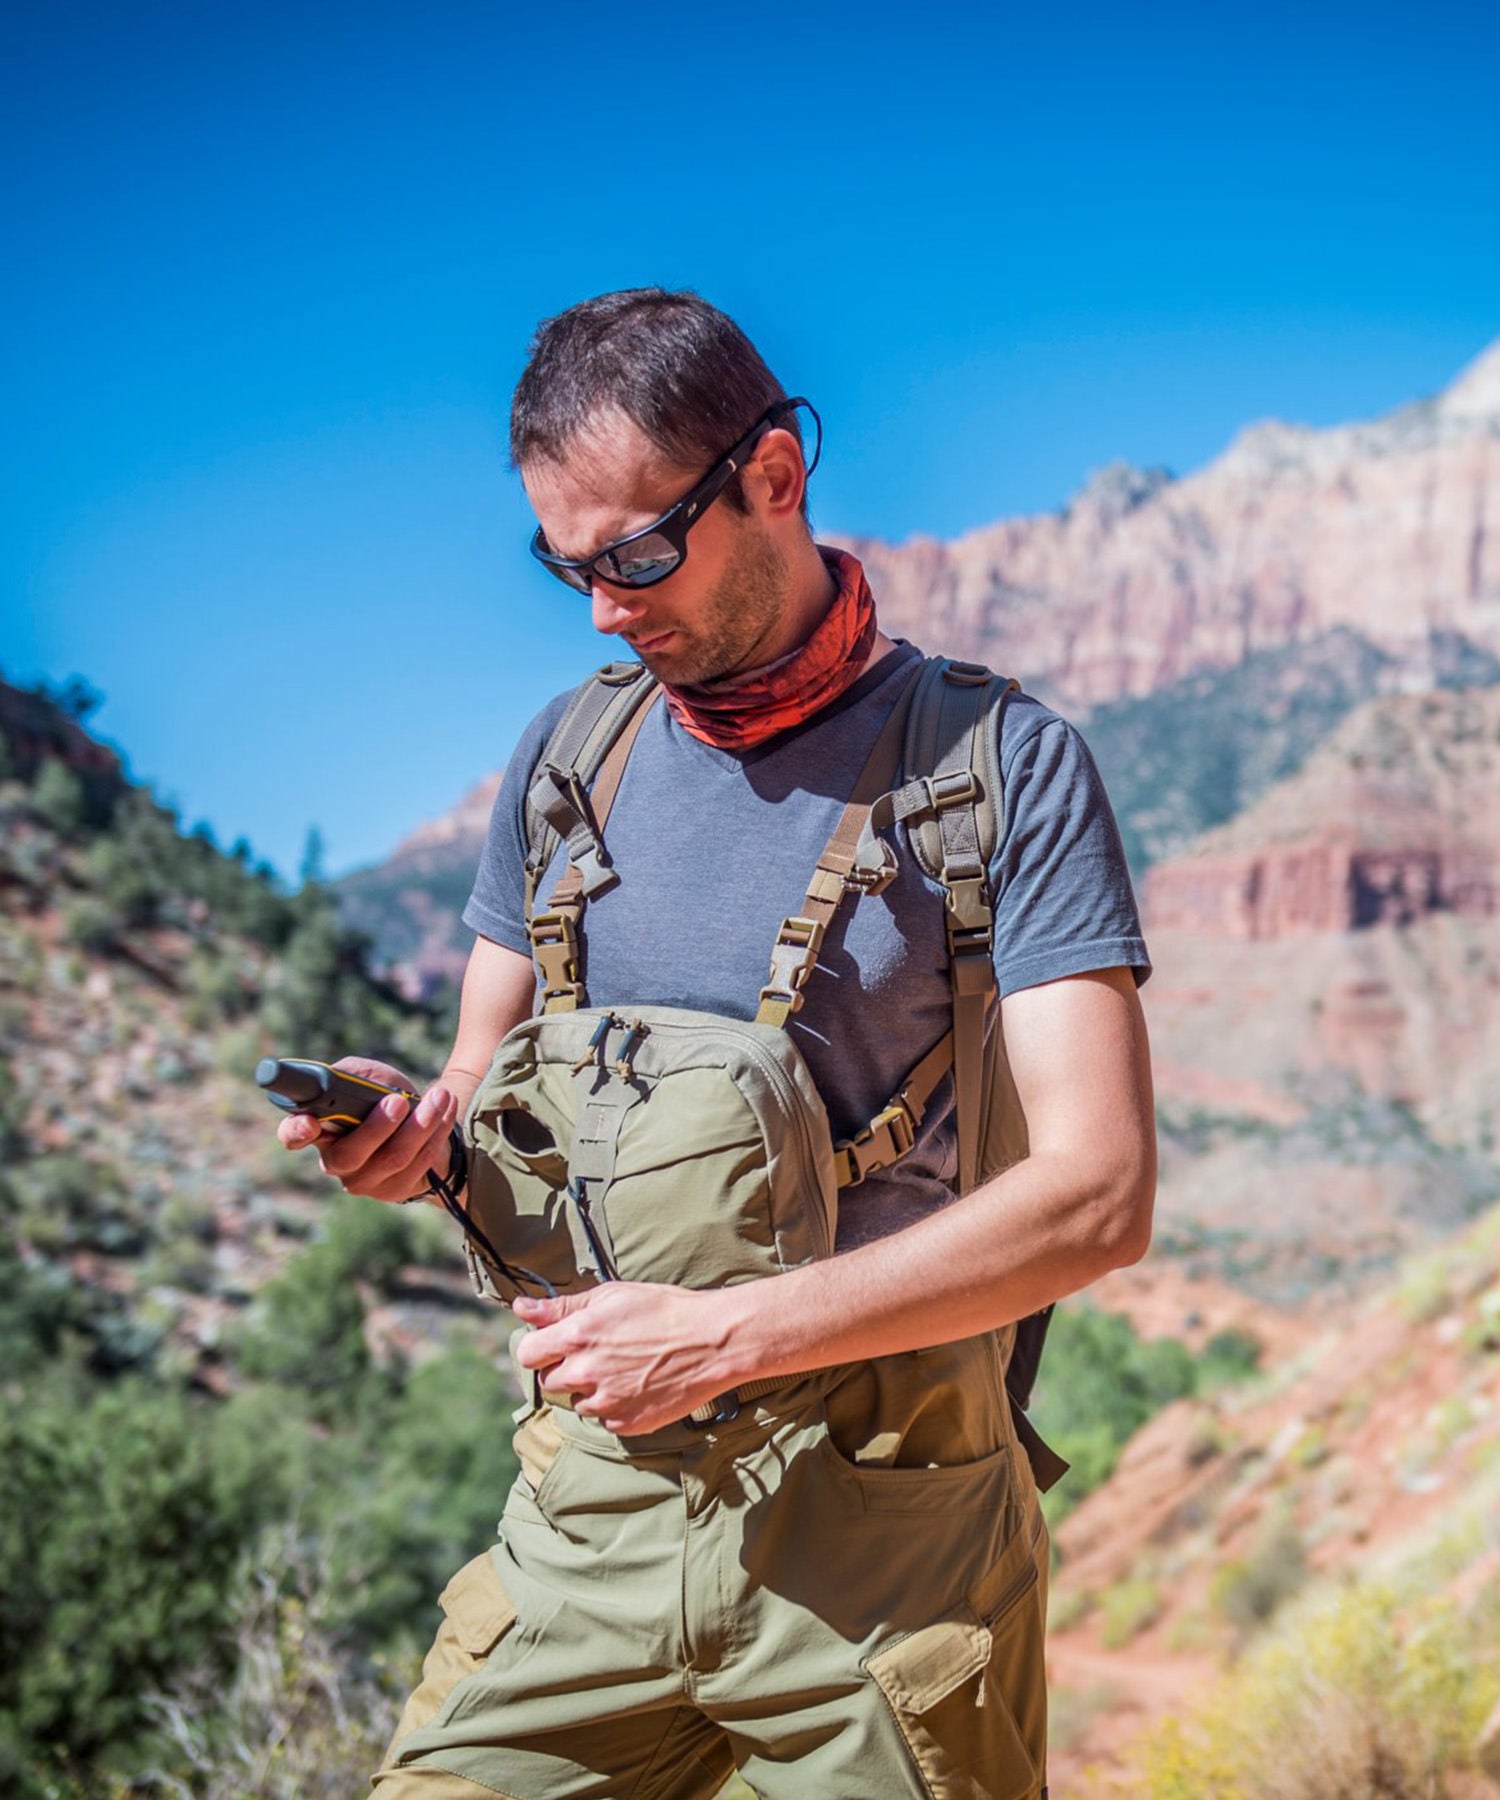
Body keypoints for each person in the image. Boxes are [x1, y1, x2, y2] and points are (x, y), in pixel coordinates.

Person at [279, 288, 1156, 1799]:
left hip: (892, 1538)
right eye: (569, 571)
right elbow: (487, 1106)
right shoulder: (568, 761)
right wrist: (409, 1142)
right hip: (590, 1511)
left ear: (773, 477)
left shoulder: (1003, 769)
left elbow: (1098, 1199)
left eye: (636, 555)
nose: (609, 609)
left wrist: (730, 1336)